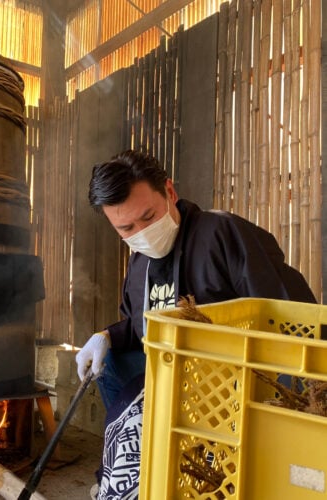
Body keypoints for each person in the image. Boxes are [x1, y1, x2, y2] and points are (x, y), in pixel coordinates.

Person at [75, 149, 316, 498]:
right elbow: (144, 326)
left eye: (148, 217)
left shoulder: (222, 233)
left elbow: (289, 312)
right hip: (176, 374)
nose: (142, 232)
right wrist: (104, 336)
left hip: (233, 377)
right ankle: (139, 463)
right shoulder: (140, 264)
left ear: (170, 193)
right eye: (126, 228)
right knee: (108, 362)